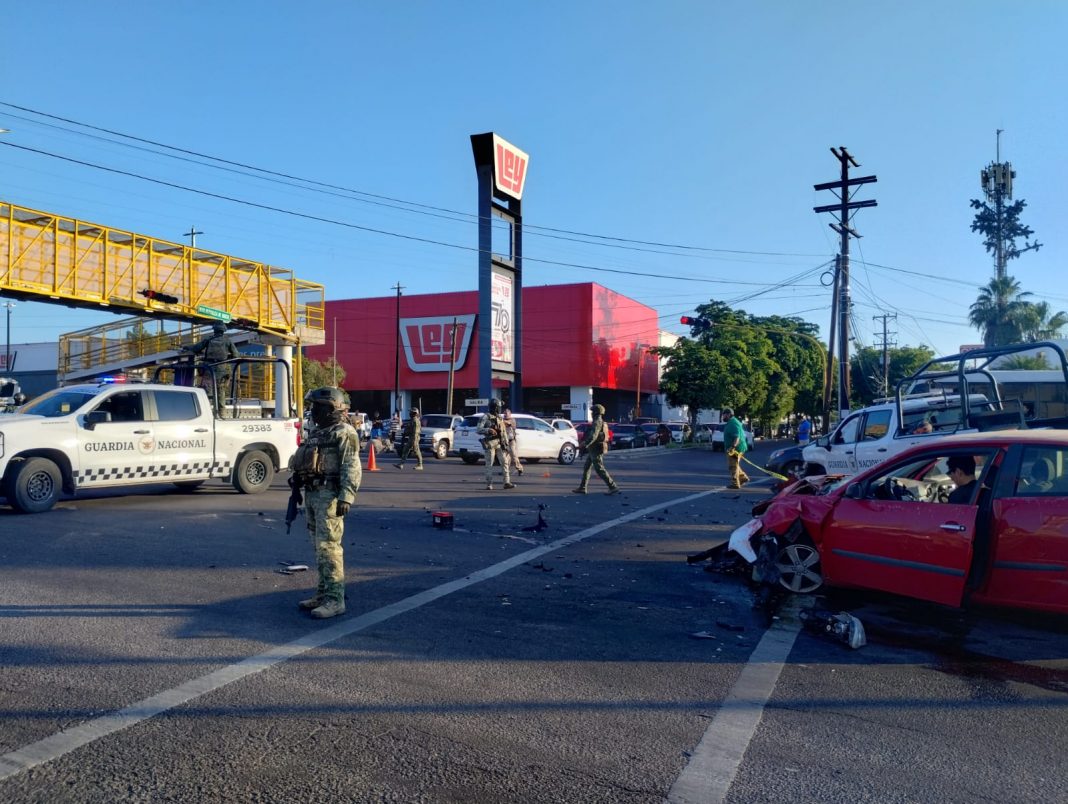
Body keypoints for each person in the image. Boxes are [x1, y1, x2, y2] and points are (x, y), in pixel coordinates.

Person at [289, 386, 362, 619]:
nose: (313, 412)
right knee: (319, 548)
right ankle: (322, 594)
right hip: (313, 495)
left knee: (329, 547)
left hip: (329, 497)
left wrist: (346, 496)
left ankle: (335, 599)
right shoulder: (318, 432)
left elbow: (351, 465)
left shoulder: (344, 432)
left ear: (331, 408)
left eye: (317, 407)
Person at [184, 321, 240, 413]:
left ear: (214, 330)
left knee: (207, 391)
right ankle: (221, 413)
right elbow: (236, 355)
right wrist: (226, 357)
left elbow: (196, 348)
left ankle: (205, 412)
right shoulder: (228, 341)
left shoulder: (209, 340)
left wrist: (187, 347)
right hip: (222, 369)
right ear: (223, 330)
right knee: (220, 391)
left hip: (209, 369)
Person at [573, 404, 620, 495]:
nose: (591, 413)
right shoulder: (599, 421)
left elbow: (593, 436)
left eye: (592, 411)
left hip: (596, 449)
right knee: (587, 467)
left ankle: (613, 486)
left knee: (599, 468)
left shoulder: (597, 422)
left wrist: (585, 444)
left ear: (595, 412)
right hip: (593, 448)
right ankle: (582, 487)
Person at [478, 399, 514, 490]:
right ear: (495, 407)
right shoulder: (485, 417)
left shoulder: (499, 417)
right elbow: (478, 429)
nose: (499, 409)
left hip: (500, 443)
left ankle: (507, 482)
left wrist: (506, 444)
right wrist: (488, 430)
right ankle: (489, 484)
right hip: (490, 444)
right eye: (498, 407)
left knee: (505, 462)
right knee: (489, 464)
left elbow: (503, 431)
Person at [722, 407, 750, 489]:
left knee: (733, 466)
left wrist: (733, 447)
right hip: (735, 447)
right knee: (735, 464)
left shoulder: (733, 423)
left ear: (728, 415)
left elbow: (737, 437)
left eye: (724, 415)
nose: (723, 417)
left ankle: (735, 483)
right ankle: (743, 477)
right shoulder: (731, 422)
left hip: (736, 448)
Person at [503, 408, 524, 475]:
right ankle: (505, 470)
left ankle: (519, 468)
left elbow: (509, 424)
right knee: (505, 457)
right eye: (504, 413)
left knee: (514, 456)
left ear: (510, 414)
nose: (505, 415)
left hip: (511, 441)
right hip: (504, 441)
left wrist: (502, 422)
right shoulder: (502, 420)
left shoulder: (512, 420)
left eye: (507, 413)